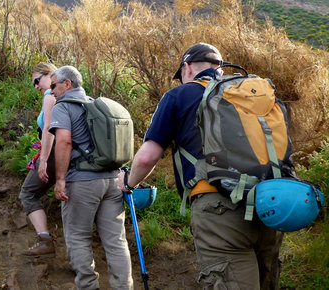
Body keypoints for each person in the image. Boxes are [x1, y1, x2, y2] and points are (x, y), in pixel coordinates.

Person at [116, 42, 284, 289]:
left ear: (186, 67)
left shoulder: (180, 95)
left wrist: (128, 182)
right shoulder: (248, 91)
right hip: (270, 203)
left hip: (218, 207)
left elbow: (146, 157)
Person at [50, 65, 133, 289]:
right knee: (116, 241)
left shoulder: (63, 107)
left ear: (67, 84)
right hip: (113, 180)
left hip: (82, 181)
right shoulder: (95, 105)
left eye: (53, 85)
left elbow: (64, 142)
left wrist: (60, 179)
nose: (50, 91)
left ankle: (88, 286)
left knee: (78, 236)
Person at [19, 62, 58, 258]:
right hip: (68, 154)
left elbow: (49, 130)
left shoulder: (50, 96)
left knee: (28, 192)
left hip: (54, 153)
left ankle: (44, 240)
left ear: (50, 74)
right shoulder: (66, 94)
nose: (36, 86)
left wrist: (43, 160)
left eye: (37, 80)